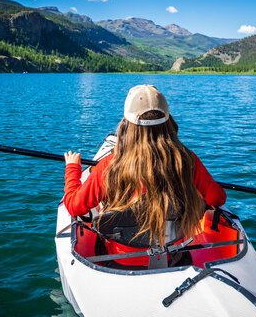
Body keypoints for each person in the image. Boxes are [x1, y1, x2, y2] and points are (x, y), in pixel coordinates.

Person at [63, 84, 226, 248]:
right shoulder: (187, 160)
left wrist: (72, 169)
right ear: (169, 121)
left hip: (122, 256)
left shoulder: (109, 166)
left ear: (126, 124)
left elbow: (73, 206)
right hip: (173, 249)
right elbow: (217, 199)